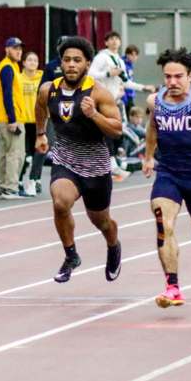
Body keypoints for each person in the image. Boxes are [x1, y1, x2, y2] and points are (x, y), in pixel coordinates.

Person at [35, 36, 123, 284]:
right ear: (60, 63)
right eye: (66, 60)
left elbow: (116, 129)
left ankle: (113, 245)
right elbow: (40, 106)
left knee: (102, 222)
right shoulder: (48, 89)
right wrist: (41, 133)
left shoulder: (98, 93)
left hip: (95, 166)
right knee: (60, 202)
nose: (71, 65)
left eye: (77, 60)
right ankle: (71, 255)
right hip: (65, 159)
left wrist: (93, 114)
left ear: (86, 64)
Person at [142, 48, 191, 308]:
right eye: (167, 77)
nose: (172, 82)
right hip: (168, 174)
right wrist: (149, 157)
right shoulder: (156, 101)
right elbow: (152, 129)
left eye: (178, 76)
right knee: (164, 223)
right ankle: (172, 287)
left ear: (190, 76)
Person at [89, 31, 154, 179]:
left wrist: (144, 87)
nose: (114, 41)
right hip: (102, 101)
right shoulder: (102, 57)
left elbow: (126, 81)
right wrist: (107, 74)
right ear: (106, 42)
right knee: (109, 133)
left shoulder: (119, 60)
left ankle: (112, 162)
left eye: (117, 39)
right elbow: (90, 75)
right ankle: (112, 165)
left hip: (116, 102)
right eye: (111, 39)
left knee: (118, 133)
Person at [0, 37, 28, 199]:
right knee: (15, 153)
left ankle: (1, 185)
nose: (19, 51)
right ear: (7, 49)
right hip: (10, 116)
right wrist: (12, 119)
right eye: (15, 48)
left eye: (20, 48)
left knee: (5, 152)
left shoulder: (12, 66)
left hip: (7, 115)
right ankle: (10, 187)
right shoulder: (7, 67)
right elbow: (7, 94)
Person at [19, 51, 44, 197]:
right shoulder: (19, 78)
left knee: (40, 151)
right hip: (24, 120)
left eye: (35, 60)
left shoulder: (42, 77)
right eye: (29, 60)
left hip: (39, 120)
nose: (33, 62)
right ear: (24, 63)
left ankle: (35, 179)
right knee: (25, 153)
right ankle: (20, 180)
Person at [122, 44, 141, 110]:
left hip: (130, 94)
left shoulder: (130, 65)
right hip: (124, 96)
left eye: (136, 55)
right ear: (127, 54)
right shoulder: (123, 64)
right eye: (132, 55)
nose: (134, 57)